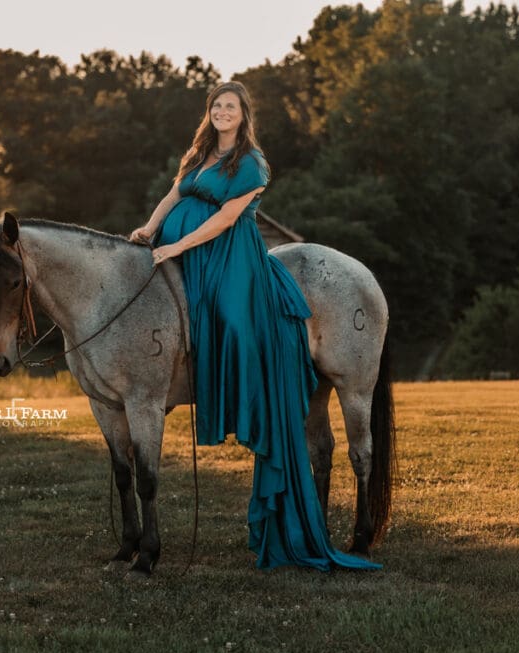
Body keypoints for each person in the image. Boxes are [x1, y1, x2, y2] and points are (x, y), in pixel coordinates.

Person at [130, 82, 379, 571]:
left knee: (232, 321)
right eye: (216, 106)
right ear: (210, 114)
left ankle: (247, 397)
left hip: (228, 258)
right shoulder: (199, 155)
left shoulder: (252, 163)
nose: (223, 112)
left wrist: (177, 247)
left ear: (244, 115)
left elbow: (225, 220)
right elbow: (173, 193)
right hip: (184, 253)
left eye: (231, 107)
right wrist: (151, 227)